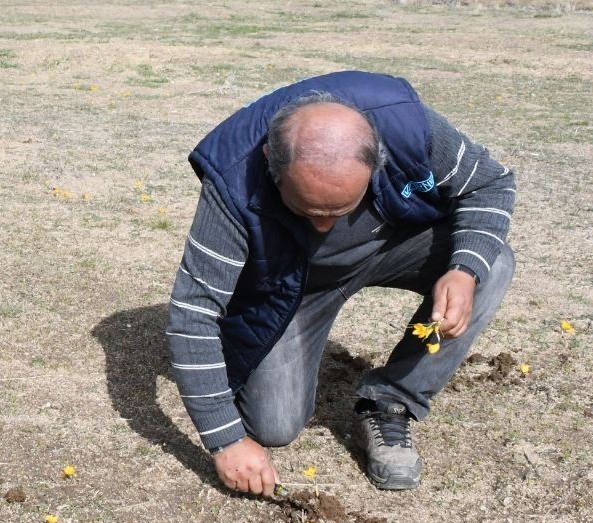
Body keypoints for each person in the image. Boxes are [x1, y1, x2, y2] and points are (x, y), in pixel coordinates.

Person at [168, 71, 515, 496]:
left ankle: (392, 400)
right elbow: (193, 310)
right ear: (271, 163)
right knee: (273, 426)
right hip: (291, 285)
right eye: (307, 209)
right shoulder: (233, 177)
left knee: (491, 261)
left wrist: (464, 269)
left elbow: (490, 185)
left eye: (342, 207)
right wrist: (225, 440)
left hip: (391, 244)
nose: (325, 224)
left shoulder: (407, 125)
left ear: (376, 160)